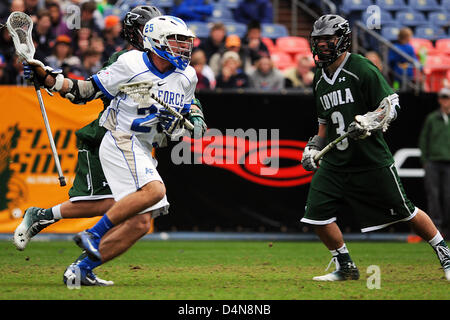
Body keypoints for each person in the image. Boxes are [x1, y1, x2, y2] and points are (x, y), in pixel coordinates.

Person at [14, 7, 206, 286]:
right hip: (119, 138)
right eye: (177, 41)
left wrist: (196, 120)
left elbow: (189, 107)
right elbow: (85, 91)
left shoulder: (187, 75)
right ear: (157, 41)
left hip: (143, 146)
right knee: (153, 191)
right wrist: (49, 80)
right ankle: (93, 234)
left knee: (141, 221)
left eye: (185, 42)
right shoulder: (129, 62)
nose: (184, 48)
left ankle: (80, 270)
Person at [300, 14, 450, 281]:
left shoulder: (360, 67)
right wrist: (312, 147)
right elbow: (323, 125)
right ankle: (345, 266)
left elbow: (391, 105)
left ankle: (445, 255)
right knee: (316, 217)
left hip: (369, 158)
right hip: (336, 162)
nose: (322, 45)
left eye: (327, 39)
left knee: (406, 212)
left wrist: (371, 120)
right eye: (318, 40)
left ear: (342, 40)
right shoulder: (319, 79)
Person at [418, 87, 450, 238]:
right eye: (443, 97)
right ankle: (436, 230)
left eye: (448, 97)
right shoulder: (432, 118)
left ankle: (448, 228)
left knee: (448, 196)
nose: (446, 100)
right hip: (433, 163)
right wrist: (425, 160)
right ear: (439, 100)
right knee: (434, 196)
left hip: (448, 163)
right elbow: (424, 140)